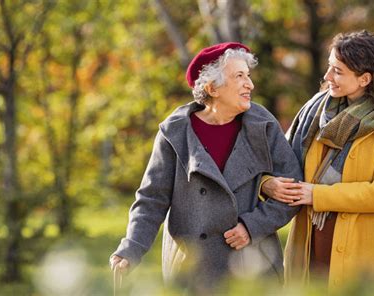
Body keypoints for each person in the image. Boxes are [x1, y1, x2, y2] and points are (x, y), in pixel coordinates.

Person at [109, 42, 303, 291]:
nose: (250, 84)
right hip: (193, 268)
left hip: (252, 265)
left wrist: (252, 226)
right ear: (212, 88)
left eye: (248, 75)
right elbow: (151, 199)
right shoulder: (175, 132)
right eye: (239, 76)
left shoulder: (263, 124)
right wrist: (131, 249)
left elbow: (293, 188)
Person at [261, 30, 374, 289]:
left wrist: (317, 195)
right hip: (309, 246)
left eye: (337, 71)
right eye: (329, 67)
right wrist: (267, 184)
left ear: (365, 79)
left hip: (365, 254)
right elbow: (277, 164)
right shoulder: (314, 113)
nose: (327, 77)